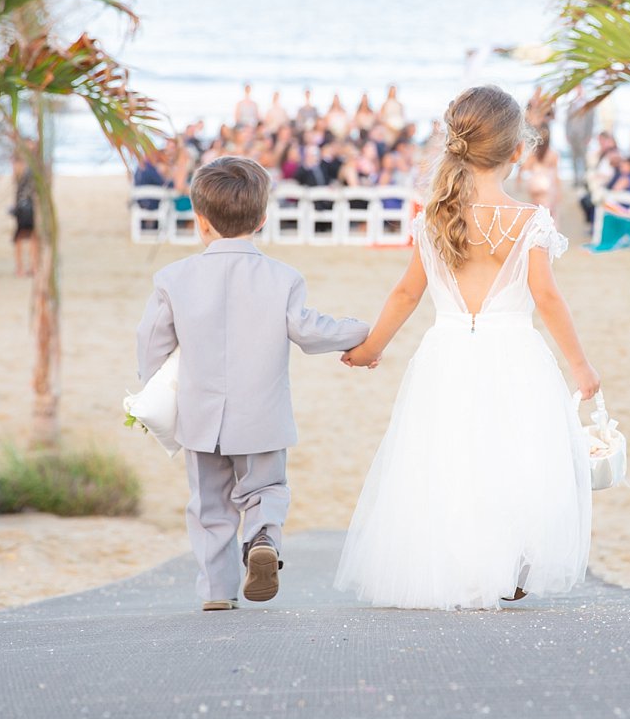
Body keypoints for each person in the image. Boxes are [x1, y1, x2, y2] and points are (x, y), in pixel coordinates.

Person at [334, 84, 596, 609]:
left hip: (446, 351)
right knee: (519, 455)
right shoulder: (527, 221)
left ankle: (460, 564)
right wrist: (580, 366)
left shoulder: (434, 217)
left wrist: (371, 348)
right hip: (515, 352)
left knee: (447, 456)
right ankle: (511, 559)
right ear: (517, 151)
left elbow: (408, 292)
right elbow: (545, 296)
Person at [135, 156, 369, 611]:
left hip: (200, 416)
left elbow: (150, 343)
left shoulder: (173, 279)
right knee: (265, 489)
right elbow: (309, 330)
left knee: (209, 506)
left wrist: (151, 391)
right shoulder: (283, 278)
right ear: (263, 219)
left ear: (199, 220)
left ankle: (217, 592)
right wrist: (363, 335)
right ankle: (262, 537)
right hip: (261, 415)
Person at [518, 135, 561, 221]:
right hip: (548, 185)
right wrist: (559, 191)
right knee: (549, 212)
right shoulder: (552, 154)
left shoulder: (533, 154)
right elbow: (556, 174)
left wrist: (518, 179)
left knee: (537, 210)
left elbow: (523, 167)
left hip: (534, 184)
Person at [11, 153, 38, 277]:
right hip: (23, 208)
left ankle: (32, 266)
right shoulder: (22, 170)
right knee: (21, 237)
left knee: (32, 236)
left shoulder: (31, 169)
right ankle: (21, 267)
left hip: (29, 206)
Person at [564, 85, 595, 186]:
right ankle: (576, 180)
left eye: (580, 88)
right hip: (573, 135)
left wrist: (589, 135)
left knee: (584, 158)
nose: (579, 90)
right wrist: (567, 134)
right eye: (577, 88)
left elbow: (591, 122)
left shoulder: (588, 104)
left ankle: (586, 180)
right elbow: (567, 121)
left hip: (583, 136)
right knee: (574, 158)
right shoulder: (571, 104)